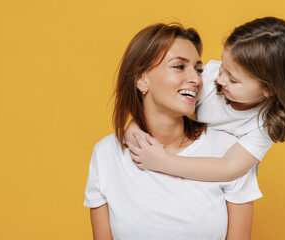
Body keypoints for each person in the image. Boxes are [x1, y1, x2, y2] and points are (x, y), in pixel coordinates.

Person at [84, 23, 262, 240]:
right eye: (179, 67)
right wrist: (133, 130)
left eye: (198, 69)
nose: (196, 79)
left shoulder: (229, 150)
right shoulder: (106, 155)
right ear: (141, 79)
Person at [126, 17, 285, 182]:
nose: (220, 80)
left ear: (269, 89)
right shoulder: (209, 77)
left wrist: (163, 162)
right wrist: (134, 129)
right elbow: (160, 105)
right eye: (223, 68)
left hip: (218, 166)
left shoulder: (267, 122)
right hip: (187, 144)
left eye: (233, 79)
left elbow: (229, 168)